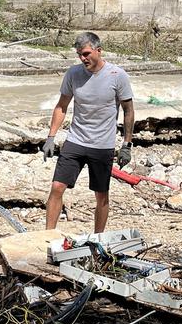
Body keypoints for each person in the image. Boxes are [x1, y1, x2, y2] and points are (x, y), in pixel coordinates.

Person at [43, 32, 135, 233]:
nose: (82, 58)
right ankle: (48, 235)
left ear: (98, 51)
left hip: (103, 145)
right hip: (75, 140)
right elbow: (62, 106)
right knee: (57, 187)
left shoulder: (117, 76)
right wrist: (51, 137)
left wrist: (127, 145)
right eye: (79, 55)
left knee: (101, 195)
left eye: (85, 53)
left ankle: (98, 238)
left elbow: (128, 111)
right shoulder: (73, 74)